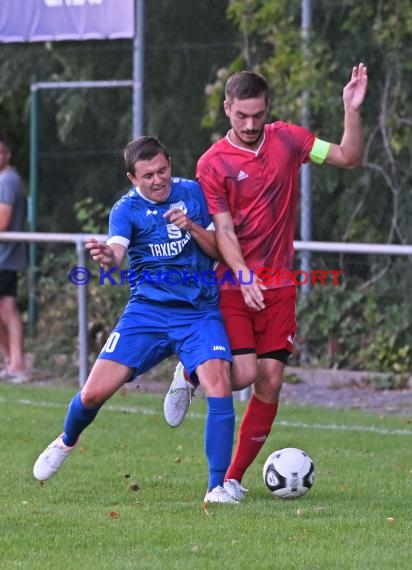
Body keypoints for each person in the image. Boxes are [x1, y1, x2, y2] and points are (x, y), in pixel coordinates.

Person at [164, 64, 368, 500]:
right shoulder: (212, 163)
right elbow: (223, 230)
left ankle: (231, 480)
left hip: (280, 287)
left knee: (270, 380)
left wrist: (351, 110)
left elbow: (349, 158)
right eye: (242, 116)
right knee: (244, 372)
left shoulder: (290, 140)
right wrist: (243, 275)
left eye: (258, 115)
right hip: (233, 285)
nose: (251, 124)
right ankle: (191, 369)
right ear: (227, 110)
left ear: (267, 108)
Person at [33, 136, 237, 504]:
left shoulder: (193, 193)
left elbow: (219, 251)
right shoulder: (125, 210)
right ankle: (66, 441)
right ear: (132, 178)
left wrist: (191, 226)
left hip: (199, 312)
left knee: (220, 385)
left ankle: (216, 487)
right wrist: (105, 257)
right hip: (148, 314)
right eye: (148, 176)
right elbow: (116, 252)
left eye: (163, 170)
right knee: (94, 392)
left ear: (170, 163)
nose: (158, 180)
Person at [0, 134, 28, 383]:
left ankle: (17, 363)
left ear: (7, 154)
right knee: (4, 308)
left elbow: (3, 221)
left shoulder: (8, 180)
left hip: (4, 257)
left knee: (7, 308)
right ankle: (11, 362)